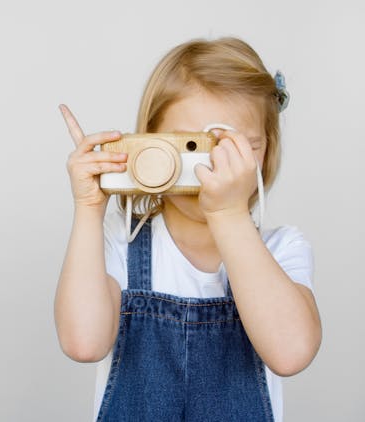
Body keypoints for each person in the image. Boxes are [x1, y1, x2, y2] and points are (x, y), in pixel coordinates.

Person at [54, 37, 321, 422]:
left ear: (265, 154)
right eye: (190, 145)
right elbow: (83, 343)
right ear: (148, 144)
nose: (207, 167)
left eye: (235, 148)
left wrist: (229, 214)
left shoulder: (280, 249)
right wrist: (88, 208)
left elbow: (292, 353)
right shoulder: (117, 240)